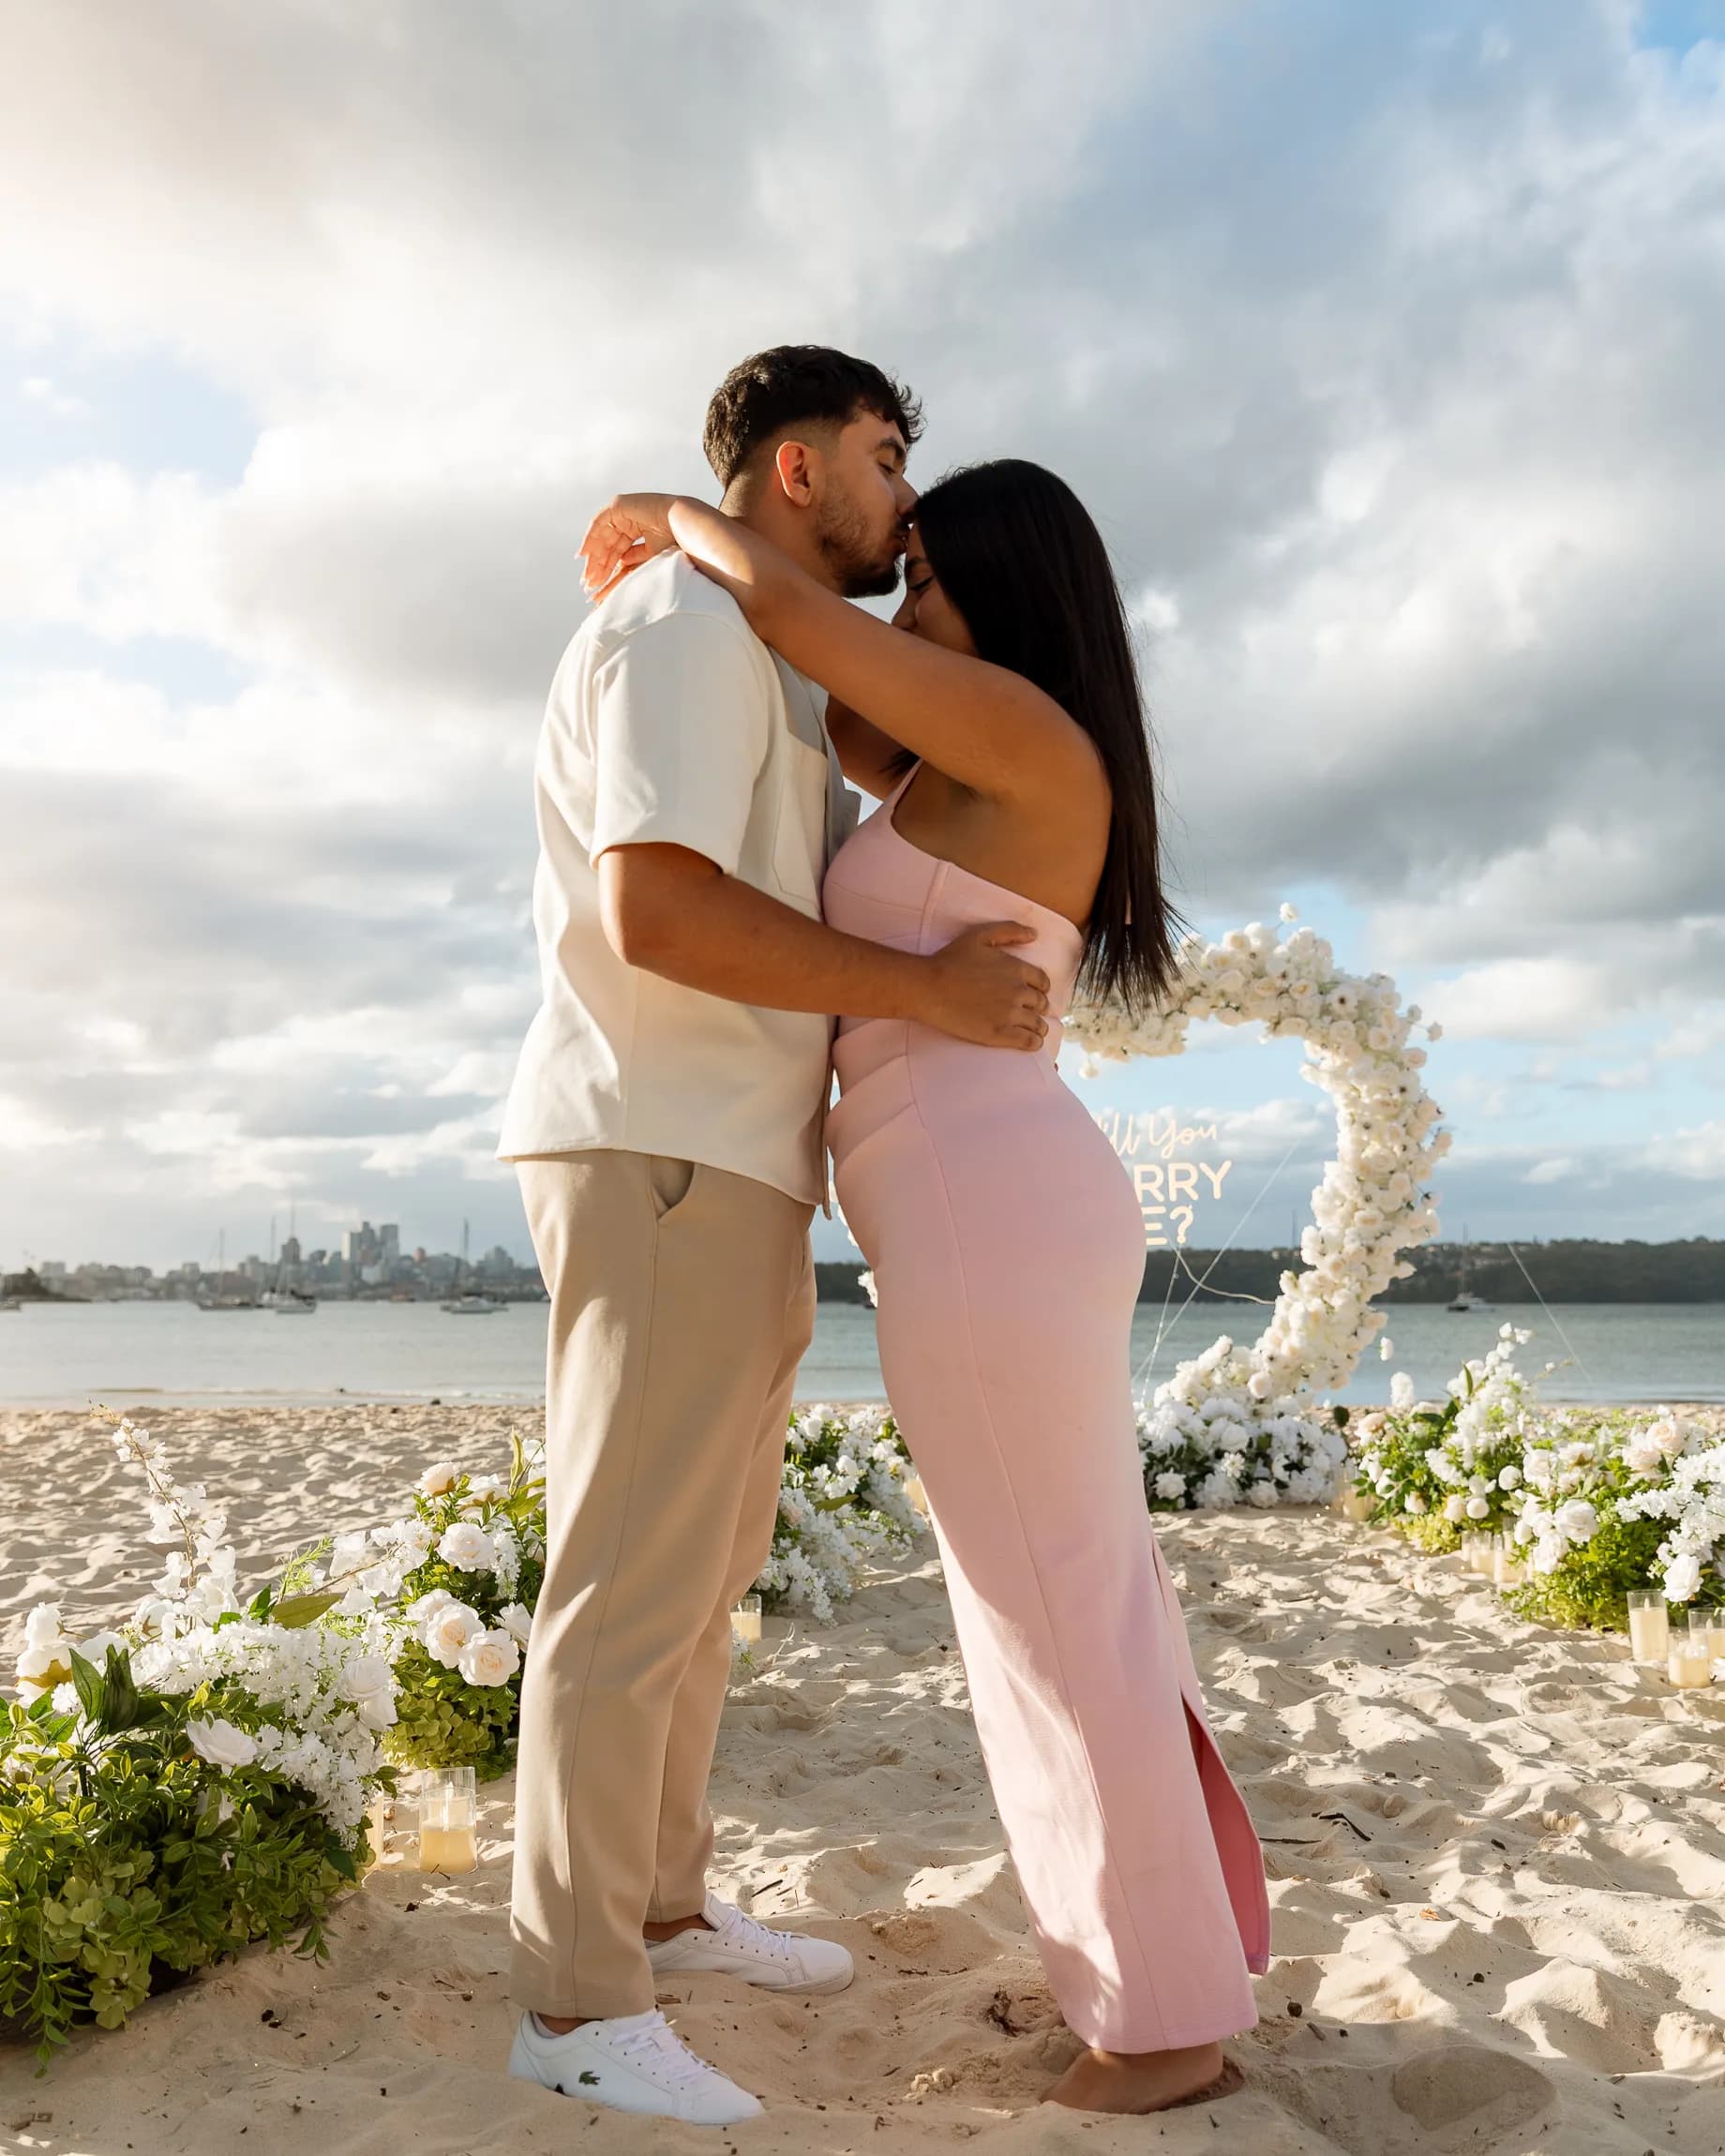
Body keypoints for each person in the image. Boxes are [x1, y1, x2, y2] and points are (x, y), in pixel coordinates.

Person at [578, 460, 1272, 2115]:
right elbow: (836, 696)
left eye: (933, 577)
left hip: (986, 1209)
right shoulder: (957, 756)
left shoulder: (1029, 737)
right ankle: (1163, 1973)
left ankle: (1165, 2029)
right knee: (1065, 1599)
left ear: (1009, 593)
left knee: (1055, 1614)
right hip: (975, 1204)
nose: (906, 604)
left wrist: (669, 510)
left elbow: (793, 613)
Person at [495, 348, 1053, 2128]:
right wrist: (928, 995)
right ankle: (578, 2003)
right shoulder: (681, 624)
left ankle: (662, 1908)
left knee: (700, 1570)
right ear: (798, 471)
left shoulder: (759, 641)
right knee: (627, 1583)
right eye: (887, 457)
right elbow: (656, 907)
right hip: (660, 1138)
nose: (907, 496)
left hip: (731, 1155)